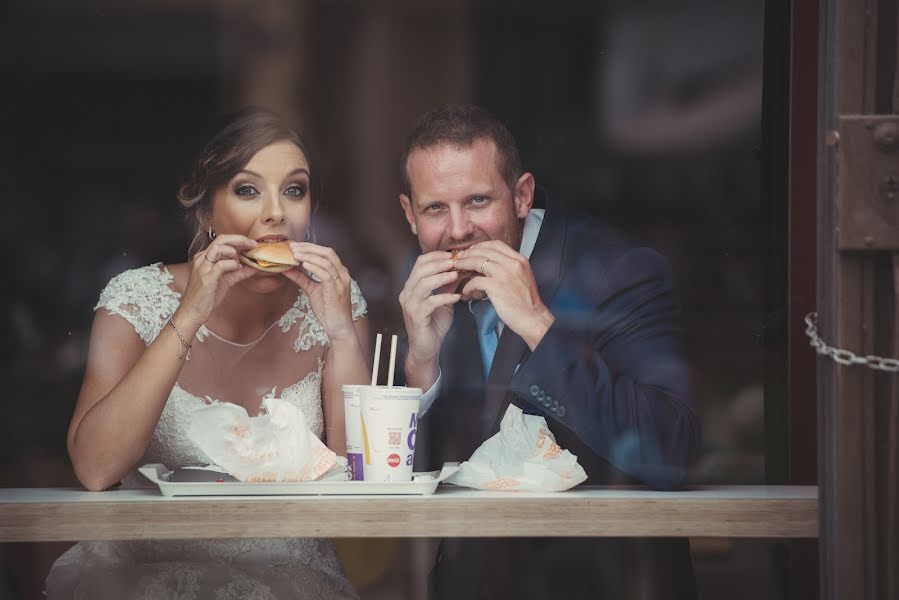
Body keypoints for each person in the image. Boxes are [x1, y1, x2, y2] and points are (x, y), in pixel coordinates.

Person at [45, 108, 368, 599]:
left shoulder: (337, 304)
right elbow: (95, 468)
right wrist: (189, 315)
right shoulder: (135, 300)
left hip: (293, 581)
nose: (276, 212)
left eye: (294, 190)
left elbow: (361, 486)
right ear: (205, 213)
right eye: (247, 189)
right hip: (146, 577)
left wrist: (343, 335)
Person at [397, 104, 702, 599]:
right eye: (435, 208)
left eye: (477, 201)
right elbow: (415, 477)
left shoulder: (622, 272)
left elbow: (671, 451)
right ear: (410, 214)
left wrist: (538, 324)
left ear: (521, 196)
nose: (457, 231)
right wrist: (421, 364)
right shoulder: (421, 289)